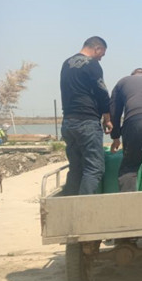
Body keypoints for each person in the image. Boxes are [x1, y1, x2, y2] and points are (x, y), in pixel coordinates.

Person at [60, 36, 112, 195]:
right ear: (97, 49)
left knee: (76, 168)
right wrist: (107, 119)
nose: (101, 58)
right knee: (94, 168)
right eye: (102, 54)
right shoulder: (92, 64)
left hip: (68, 122)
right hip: (86, 121)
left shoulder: (66, 63)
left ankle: (68, 204)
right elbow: (102, 93)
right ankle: (83, 207)